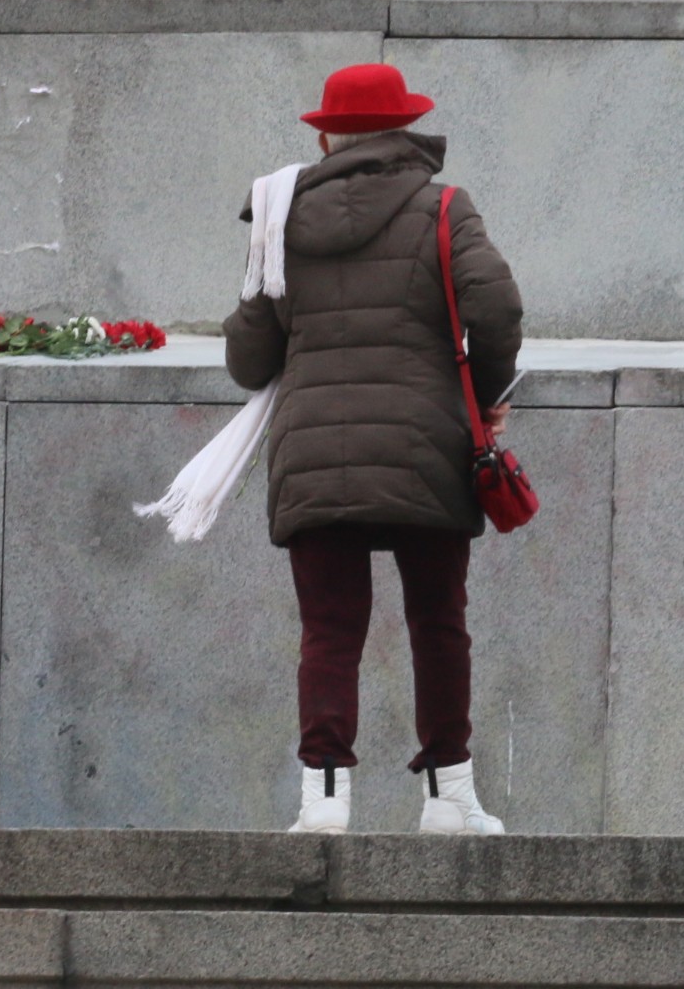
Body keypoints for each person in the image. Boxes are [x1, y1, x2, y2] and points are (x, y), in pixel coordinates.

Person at [223, 61, 525, 837]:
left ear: (326, 136)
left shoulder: (279, 221)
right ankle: (449, 799)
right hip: (427, 448)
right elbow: (497, 309)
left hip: (315, 456)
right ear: (407, 129)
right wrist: (485, 394)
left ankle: (323, 800)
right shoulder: (444, 209)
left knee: (329, 630)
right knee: (438, 623)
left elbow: (249, 361)